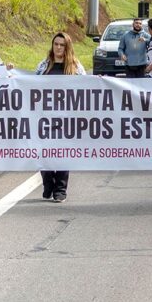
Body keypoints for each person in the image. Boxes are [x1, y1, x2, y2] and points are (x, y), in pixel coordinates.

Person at [35, 32, 86, 203]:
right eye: (55, 44)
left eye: (62, 45)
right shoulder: (43, 65)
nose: (58, 47)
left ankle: (60, 189)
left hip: (66, 118)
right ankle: (48, 182)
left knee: (63, 153)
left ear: (67, 47)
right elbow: (30, 85)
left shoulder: (75, 67)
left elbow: (87, 87)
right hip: (45, 117)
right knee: (44, 153)